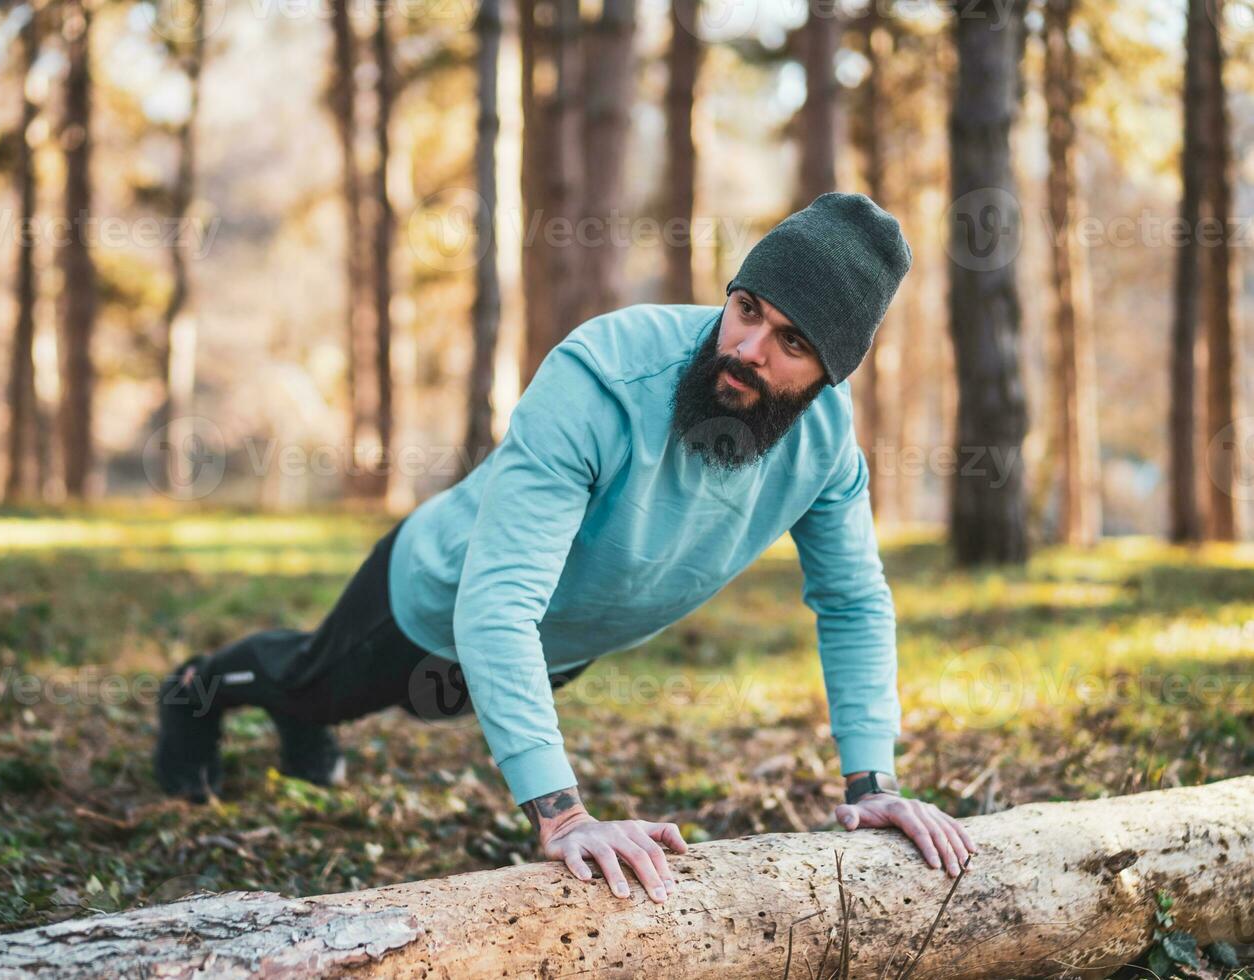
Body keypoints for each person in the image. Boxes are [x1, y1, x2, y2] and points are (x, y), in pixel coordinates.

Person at [154, 192, 976, 906]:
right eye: (749, 308)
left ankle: (311, 726)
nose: (749, 348)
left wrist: (875, 786)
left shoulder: (826, 445)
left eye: (792, 343)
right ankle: (196, 691)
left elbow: (853, 600)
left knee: (428, 705)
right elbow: (497, 599)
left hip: (555, 642)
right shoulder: (603, 374)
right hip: (438, 594)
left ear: (831, 373)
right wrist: (562, 814)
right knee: (317, 684)